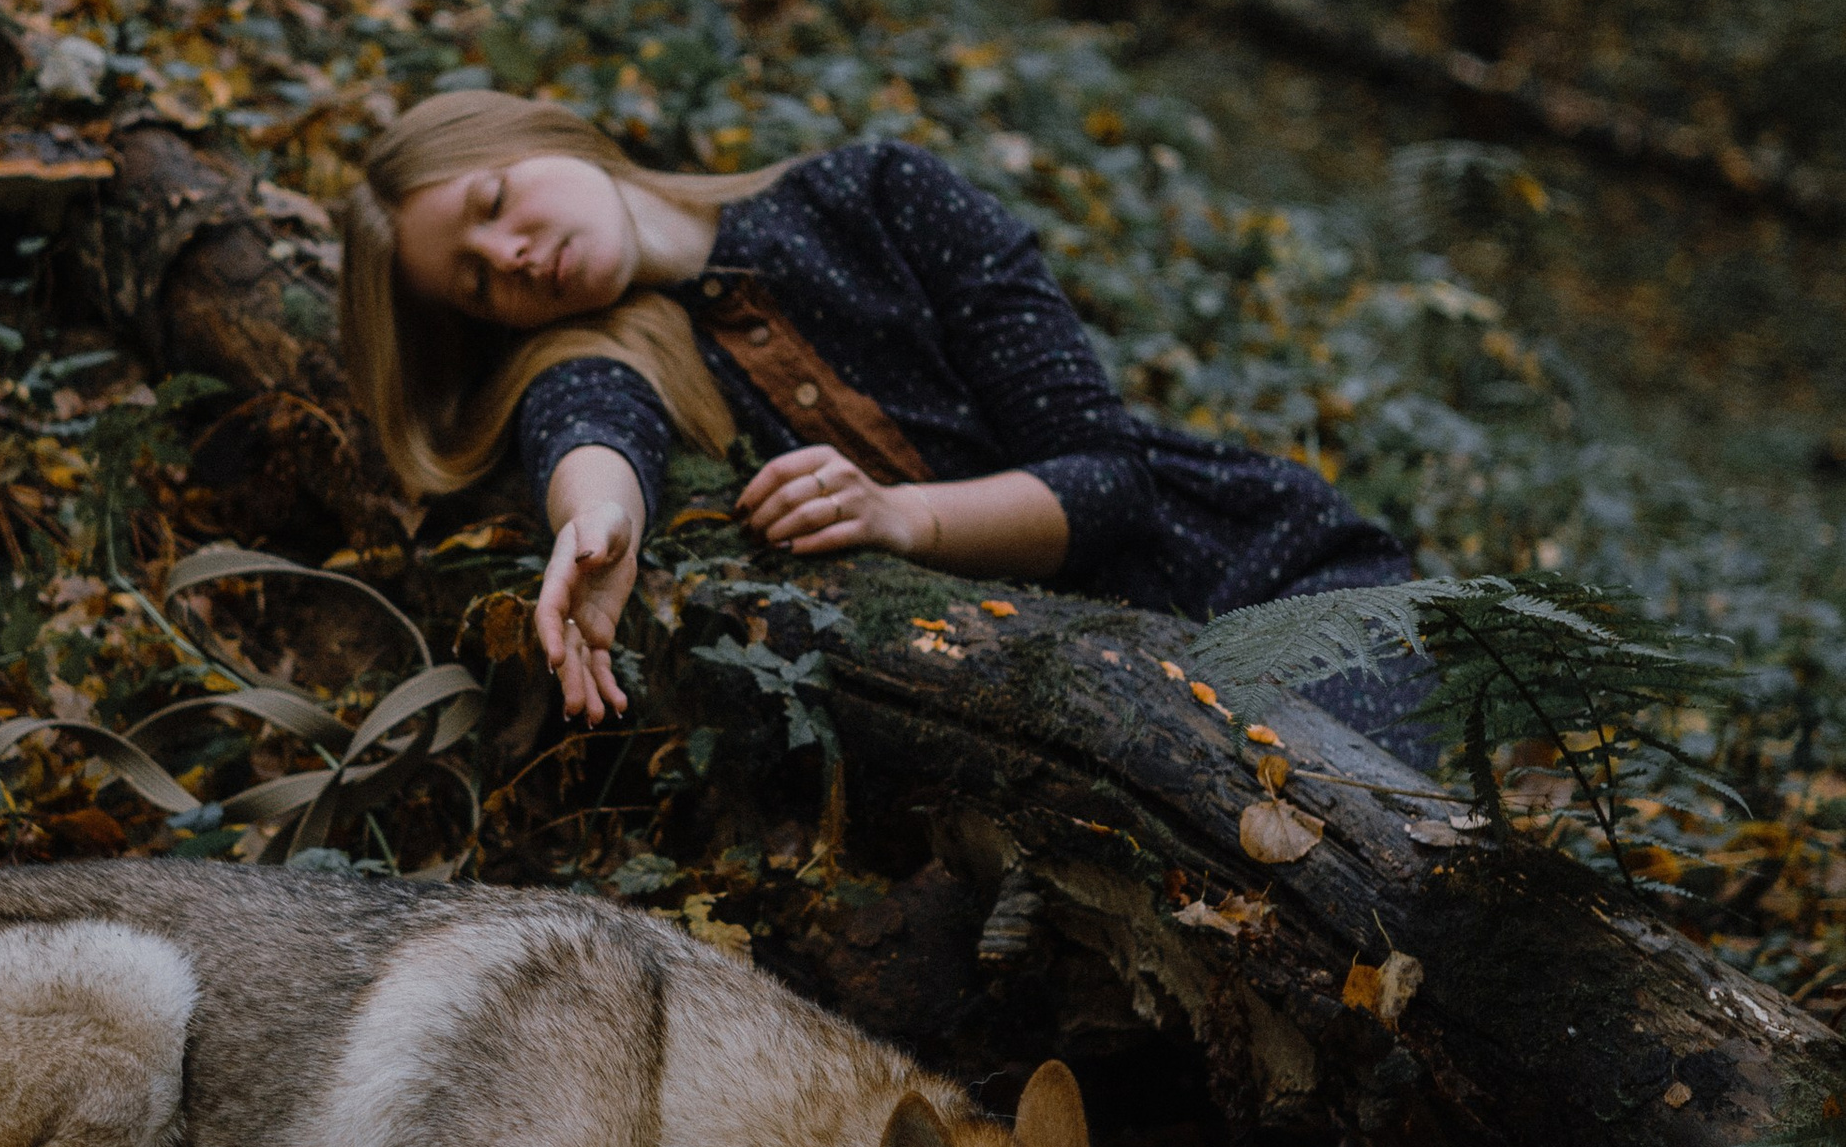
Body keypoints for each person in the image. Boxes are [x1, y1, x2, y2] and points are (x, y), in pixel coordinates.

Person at [337, 93, 1426, 754]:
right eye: (479, 287)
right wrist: (594, 528)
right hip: (1100, 702)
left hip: (1277, 577)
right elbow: (590, 435)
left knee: (1361, 816)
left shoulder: (876, 195)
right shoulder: (603, 354)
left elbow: (1108, 482)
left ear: (543, 132)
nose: (516, 259)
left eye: (492, 206)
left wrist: (901, 516)